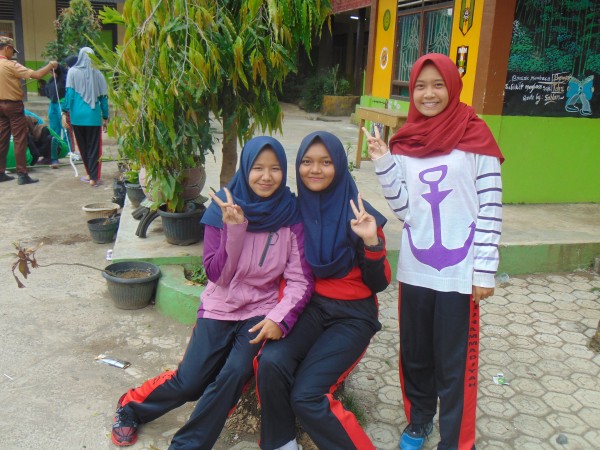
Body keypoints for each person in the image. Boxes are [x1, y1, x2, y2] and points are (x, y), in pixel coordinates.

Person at [111, 136, 313, 448]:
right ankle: (130, 406)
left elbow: (300, 279)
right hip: (220, 306)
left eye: (275, 169)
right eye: (258, 168)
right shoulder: (223, 208)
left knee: (234, 373)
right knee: (191, 382)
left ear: (284, 172)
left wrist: (279, 318)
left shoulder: (290, 213)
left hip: (260, 309)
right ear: (246, 168)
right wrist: (235, 230)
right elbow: (218, 275)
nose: (266, 176)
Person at [363, 53, 504, 450]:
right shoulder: (406, 141)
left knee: (455, 363)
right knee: (417, 355)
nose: (429, 94)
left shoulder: (476, 136)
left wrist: (484, 270)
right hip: (416, 272)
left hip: (460, 276)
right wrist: (384, 162)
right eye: (420, 86)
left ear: (452, 86)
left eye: (438, 84)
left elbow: (491, 206)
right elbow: (405, 210)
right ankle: (420, 420)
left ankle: (457, 440)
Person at [257, 131, 391, 450]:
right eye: (307, 162)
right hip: (311, 308)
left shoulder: (360, 213)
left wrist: (371, 241)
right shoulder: (294, 210)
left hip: (352, 316)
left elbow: (379, 283)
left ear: (339, 166)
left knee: (307, 395)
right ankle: (281, 443)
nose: (315, 170)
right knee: (271, 362)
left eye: (325, 162)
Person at [0, 36, 58, 184]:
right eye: (12, 51)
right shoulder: (11, 65)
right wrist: (51, 65)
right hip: (13, 105)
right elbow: (37, 75)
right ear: (7, 48)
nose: (13, 54)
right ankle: (22, 174)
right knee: (20, 138)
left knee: (2, 139)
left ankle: (0, 173)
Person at [62, 47, 108, 187]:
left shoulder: (72, 72)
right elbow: (103, 98)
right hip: (93, 117)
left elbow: (69, 95)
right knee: (94, 148)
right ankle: (94, 178)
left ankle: (88, 174)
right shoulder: (98, 74)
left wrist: (64, 112)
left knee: (83, 147)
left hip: (77, 117)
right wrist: (105, 117)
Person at [45, 55, 77, 166]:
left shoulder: (65, 77)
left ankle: (70, 151)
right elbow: (47, 92)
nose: (51, 73)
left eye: (52, 70)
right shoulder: (51, 80)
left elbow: (60, 69)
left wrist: (55, 65)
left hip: (62, 103)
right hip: (53, 104)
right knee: (54, 129)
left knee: (66, 127)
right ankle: (55, 152)